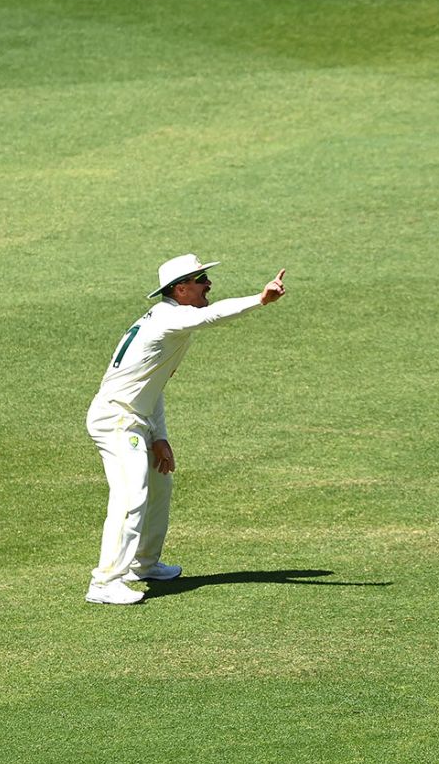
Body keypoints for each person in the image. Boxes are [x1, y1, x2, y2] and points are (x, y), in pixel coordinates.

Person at [84, 254, 287, 604]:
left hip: (136, 417)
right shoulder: (169, 319)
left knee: (159, 487)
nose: (209, 284)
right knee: (131, 497)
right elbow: (213, 315)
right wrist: (260, 299)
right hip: (116, 419)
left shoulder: (170, 320)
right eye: (201, 279)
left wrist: (159, 436)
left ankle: (143, 564)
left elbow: (152, 385)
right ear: (181, 289)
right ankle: (104, 583)